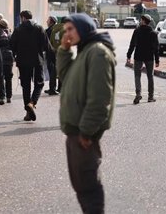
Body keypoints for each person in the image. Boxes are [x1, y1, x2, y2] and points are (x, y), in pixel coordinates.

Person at [57, 13, 116, 214]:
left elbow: (100, 98)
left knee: (88, 186)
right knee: (81, 184)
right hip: (76, 131)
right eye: (65, 30)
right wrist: (64, 50)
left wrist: (86, 131)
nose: (67, 34)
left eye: (71, 29)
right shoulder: (83, 52)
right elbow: (65, 78)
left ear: (83, 29)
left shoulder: (97, 53)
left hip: (83, 133)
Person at [10, 10, 47, 121]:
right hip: (37, 61)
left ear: (23, 18)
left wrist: (17, 53)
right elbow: (46, 45)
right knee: (39, 84)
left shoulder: (18, 30)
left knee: (26, 86)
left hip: (23, 62)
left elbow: (12, 45)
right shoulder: (39, 28)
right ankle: (32, 102)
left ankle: (28, 112)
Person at [126, 14, 159, 104]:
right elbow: (156, 48)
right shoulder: (153, 33)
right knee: (150, 76)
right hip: (149, 57)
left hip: (138, 56)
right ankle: (150, 97)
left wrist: (129, 56)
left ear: (144, 21)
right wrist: (157, 60)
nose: (140, 21)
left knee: (137, 76)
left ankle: (138, 94)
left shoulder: (137, 31)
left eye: (141, 20)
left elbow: (132, 44)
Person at [0, 19, 14, 104]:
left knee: (1, 78)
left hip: (0, 57)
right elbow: (13, 45)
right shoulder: (10, 34)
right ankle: (9, 97)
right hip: (9, 57)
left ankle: (2, 97)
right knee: (8, 78)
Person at [44, 16, 61, 96]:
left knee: (52, 71)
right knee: (56, 70)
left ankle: (52, 89)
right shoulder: (58, 30)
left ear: (51, 22)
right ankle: (58, 88)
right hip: (57, 52)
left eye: (47, 20)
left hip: (51, 53)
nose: (46, 21)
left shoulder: (49, 31)